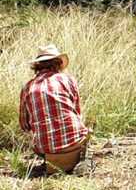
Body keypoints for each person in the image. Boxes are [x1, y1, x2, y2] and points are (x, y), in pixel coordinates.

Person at [19, 45, 90, 177]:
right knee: (86, 132)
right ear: (58, 64)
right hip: (74, 143)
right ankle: (79, 162)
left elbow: (24, 125)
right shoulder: (68, 80)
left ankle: (50, 162)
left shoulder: (27, 87)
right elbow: (77, 111)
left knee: (36, 138)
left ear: (37, 67)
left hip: (45, 149)